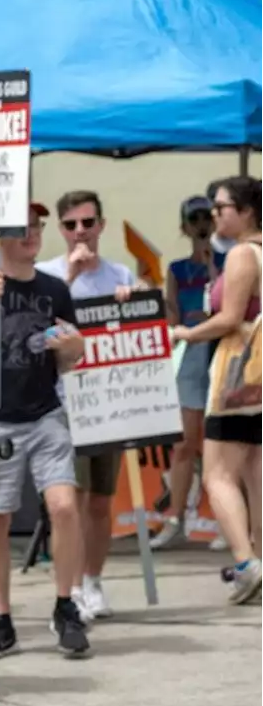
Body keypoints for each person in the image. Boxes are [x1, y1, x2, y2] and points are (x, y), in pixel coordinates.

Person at [0, 202, 91, 658]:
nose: (33, 233)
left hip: (45, 412)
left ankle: (65, 605)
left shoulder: (54, 289)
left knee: (64, 505)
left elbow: (69, 358)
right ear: (0, 235)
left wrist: (73, 348)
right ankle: (2, 619)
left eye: (37, 226)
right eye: (22, 227)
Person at [37, 190, 139, 620]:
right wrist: (72, 280)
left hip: (108, 398)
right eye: (72, 224)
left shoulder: (122, 273)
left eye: (88, 222)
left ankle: (94, 579)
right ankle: (72, 586)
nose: (81, 231)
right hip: (64, 401)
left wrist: (131, 304)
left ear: (101, 225)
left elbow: (142, 328)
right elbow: (37, 328)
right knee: (72, 499)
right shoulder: (47, 275)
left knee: (101, 499)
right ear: (61, 229)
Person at [171, 176, 263, 602]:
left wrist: (187, 334)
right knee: (255, 473)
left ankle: (246, 563)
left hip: (239, 371)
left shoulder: (245, 253)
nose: (213, 214)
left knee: (218, 473)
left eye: (221, 206)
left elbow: (229, 319)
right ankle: (257, 559)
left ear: (245, 212)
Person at [152, 196, 217, 550]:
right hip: (190, 352)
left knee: (222, 443)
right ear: (185, 226)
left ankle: (226, 520)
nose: (202, 224)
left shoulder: (229, 258)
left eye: (207, 216)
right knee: (184, 444)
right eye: (195, 218)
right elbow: (173, 314)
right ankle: (174, 516)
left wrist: (211, 267)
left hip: (220, 351)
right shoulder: (177, 269)